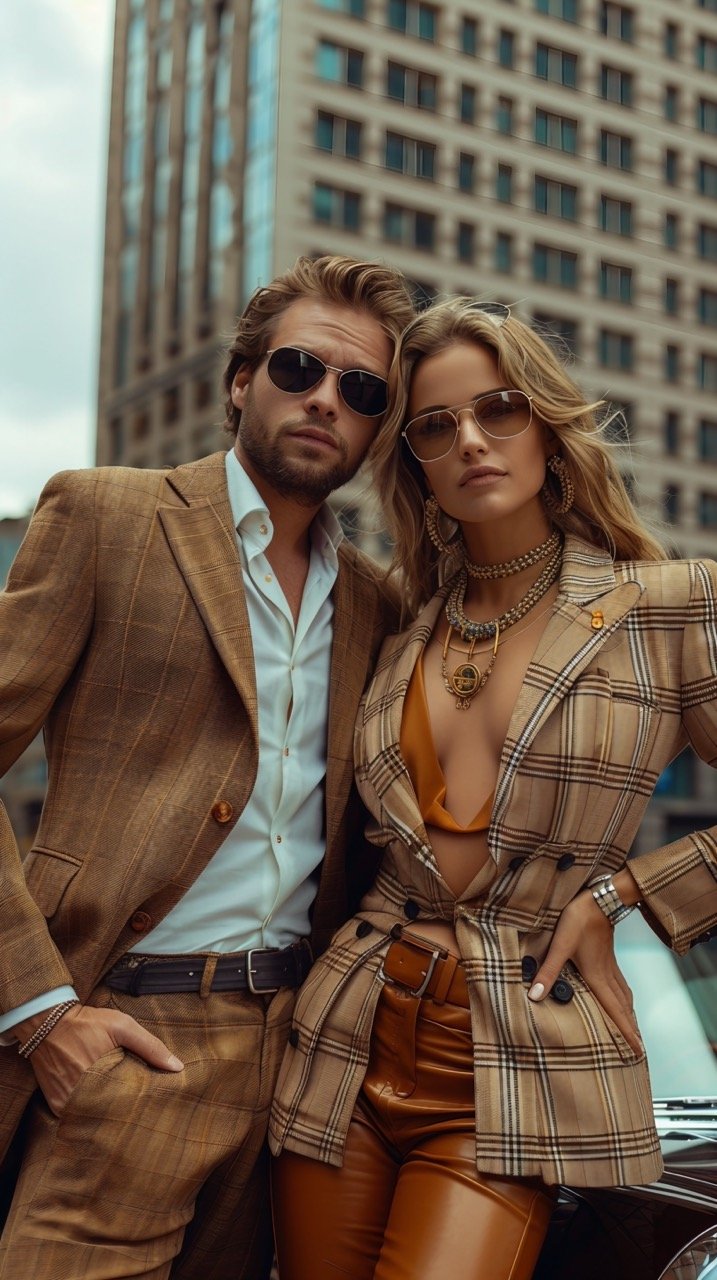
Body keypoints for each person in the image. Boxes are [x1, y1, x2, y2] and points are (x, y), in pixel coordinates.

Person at [269, 298, 717, 1280]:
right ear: (417, 463)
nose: (470, 438)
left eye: (499, 408)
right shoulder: (403, 620)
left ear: (550, 432)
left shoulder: (665, 604)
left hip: (515, 1052)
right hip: (350, 1029)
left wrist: (622, 894)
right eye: (436, 425)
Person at [0, 254, 414, 1279]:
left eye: (361, 391)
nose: (326, 398)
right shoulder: (106, 515)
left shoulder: (375, 604)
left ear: (376, 428)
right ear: (242, 379)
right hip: (120, 1036)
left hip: (295, 1069)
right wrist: (39, 1009)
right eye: (299, 368)